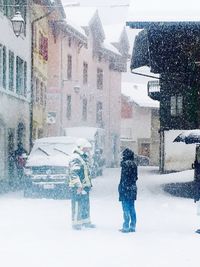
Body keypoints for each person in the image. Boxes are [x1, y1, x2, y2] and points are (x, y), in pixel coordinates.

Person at [69, 138, 95, 230]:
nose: (88, 150)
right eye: (86, 148)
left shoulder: (83, 157)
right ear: (81, 148)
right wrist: (78, 186)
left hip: (84, 186)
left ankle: (86, 221)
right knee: (77, 204)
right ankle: (76, 223)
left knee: (85, 204)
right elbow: (73, 173)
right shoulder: (76, 157)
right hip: (78, 187)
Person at [118, 148, 138, 233]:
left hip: (125, 189)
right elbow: (135, 177)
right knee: (132, 207)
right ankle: (132, 226)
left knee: (125, 208)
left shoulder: (125, 165)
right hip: (133, 188)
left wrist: (121, 188)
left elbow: (124, 179)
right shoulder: (134, 164)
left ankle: (126, 226)